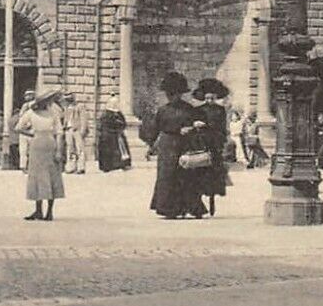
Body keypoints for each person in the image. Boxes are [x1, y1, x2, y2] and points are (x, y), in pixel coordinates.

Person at [144, 72, 207, 219]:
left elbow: (198, 125)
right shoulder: (162, 110)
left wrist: (191, 128)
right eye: (170, 94)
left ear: (180, 93)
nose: (172, 97)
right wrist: (150, 145)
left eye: (175, 93)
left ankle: (191, 207)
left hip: (184, 145)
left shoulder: (189, 109)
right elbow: (156, 128)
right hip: (167, 146)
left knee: (186, 176)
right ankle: (169, 209)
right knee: (167, 177)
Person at [15, 91, 66, 220]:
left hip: (44, 144)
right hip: (42, 144)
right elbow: (18, 127)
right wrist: (32, 134)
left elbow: (59, 133)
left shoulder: (50, 113)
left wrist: (58, 150)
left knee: (49, 176)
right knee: (41, 176)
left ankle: (48, 211)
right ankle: (40, 211)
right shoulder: (33, 113)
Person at [192, 79, 231, 216]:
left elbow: (222, 128)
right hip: (201, 142)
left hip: (214, 143)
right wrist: (196, 125)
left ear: (216, 97)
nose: (209, 100)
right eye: (207, 98)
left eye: (212, 98)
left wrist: (209, 128)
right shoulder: (198, 110)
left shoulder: (220, 110)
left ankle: (212, 198)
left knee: (213, 172)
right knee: (199, 170)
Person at [96, 96, 132, 172]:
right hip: (109, 135)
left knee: (117, 150)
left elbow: (123, 123)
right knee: (110, 151)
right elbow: (104, 124)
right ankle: (109, 166)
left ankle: (118, 165)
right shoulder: (106, 114)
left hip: (115, 135)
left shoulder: (117, 114)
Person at [63, 93, 91, 174]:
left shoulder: (80, 106)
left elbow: (83, 119)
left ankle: (81, 167)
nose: (67, 100)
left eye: (69, 98)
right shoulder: (66, 108)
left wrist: (83, 131)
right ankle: (71, 167)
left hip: (77, 130)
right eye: (66, 99)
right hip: (68, 130)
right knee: (70, 149)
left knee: (80, 149)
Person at [17, 90, 36, 170]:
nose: (27, 97)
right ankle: (23, 166)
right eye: (26, 95)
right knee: (23, 150)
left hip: (32, 129)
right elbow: (21, 116)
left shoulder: (35, 104)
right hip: (24, 129)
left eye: (29, 95)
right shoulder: (24, 105)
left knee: (31, 149)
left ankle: (30, 165)